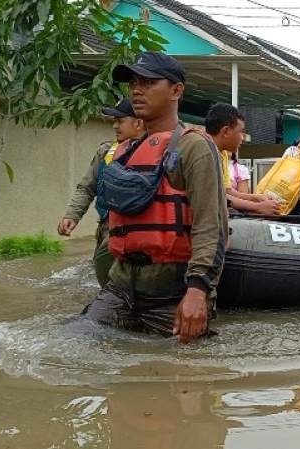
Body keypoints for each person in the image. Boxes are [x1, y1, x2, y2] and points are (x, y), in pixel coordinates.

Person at [82, 52, 228, 343]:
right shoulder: (125, 151)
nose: (136, 89)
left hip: (174, 291)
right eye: (133, 82)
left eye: (148, 82)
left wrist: (197, 291)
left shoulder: (193, 147)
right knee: (69, 342)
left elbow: (211, 225)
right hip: (121, 287)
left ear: (176, 90)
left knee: (185, 376)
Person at [58, 99, 145, 287]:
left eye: (120, 121)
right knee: (105, 282)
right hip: (108, 229)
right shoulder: (106, 152)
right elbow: (87, 187)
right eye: (114, 121)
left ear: (138, 123)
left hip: (140, 233)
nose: (115, 126)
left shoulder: (158, 153)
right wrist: (72, 215)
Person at [204, 102, 280, 216]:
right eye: (241, 131)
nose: (243, 138)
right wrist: (257, 207)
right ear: (226, 131)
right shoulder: (203, 152)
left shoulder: (221, 153)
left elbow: (225, 192)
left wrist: (256, 198)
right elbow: (215, 196)